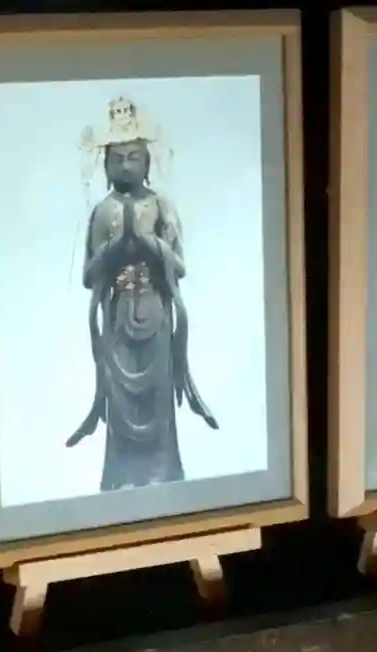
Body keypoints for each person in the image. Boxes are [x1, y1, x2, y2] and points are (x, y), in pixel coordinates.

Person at [66, 97, 216, 491]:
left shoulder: (161, 206)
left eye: (134, 157)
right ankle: (121, 478)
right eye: (117, 159)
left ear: (148, 162)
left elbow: (179, 267)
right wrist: (115, 248)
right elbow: (89, 276)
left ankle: (163, 474)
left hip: (155, 313)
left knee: (158, 399)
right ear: (105, 165)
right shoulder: (103, 212)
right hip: (118, 317)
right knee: (120, 403)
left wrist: (151, 243)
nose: (126, 165)